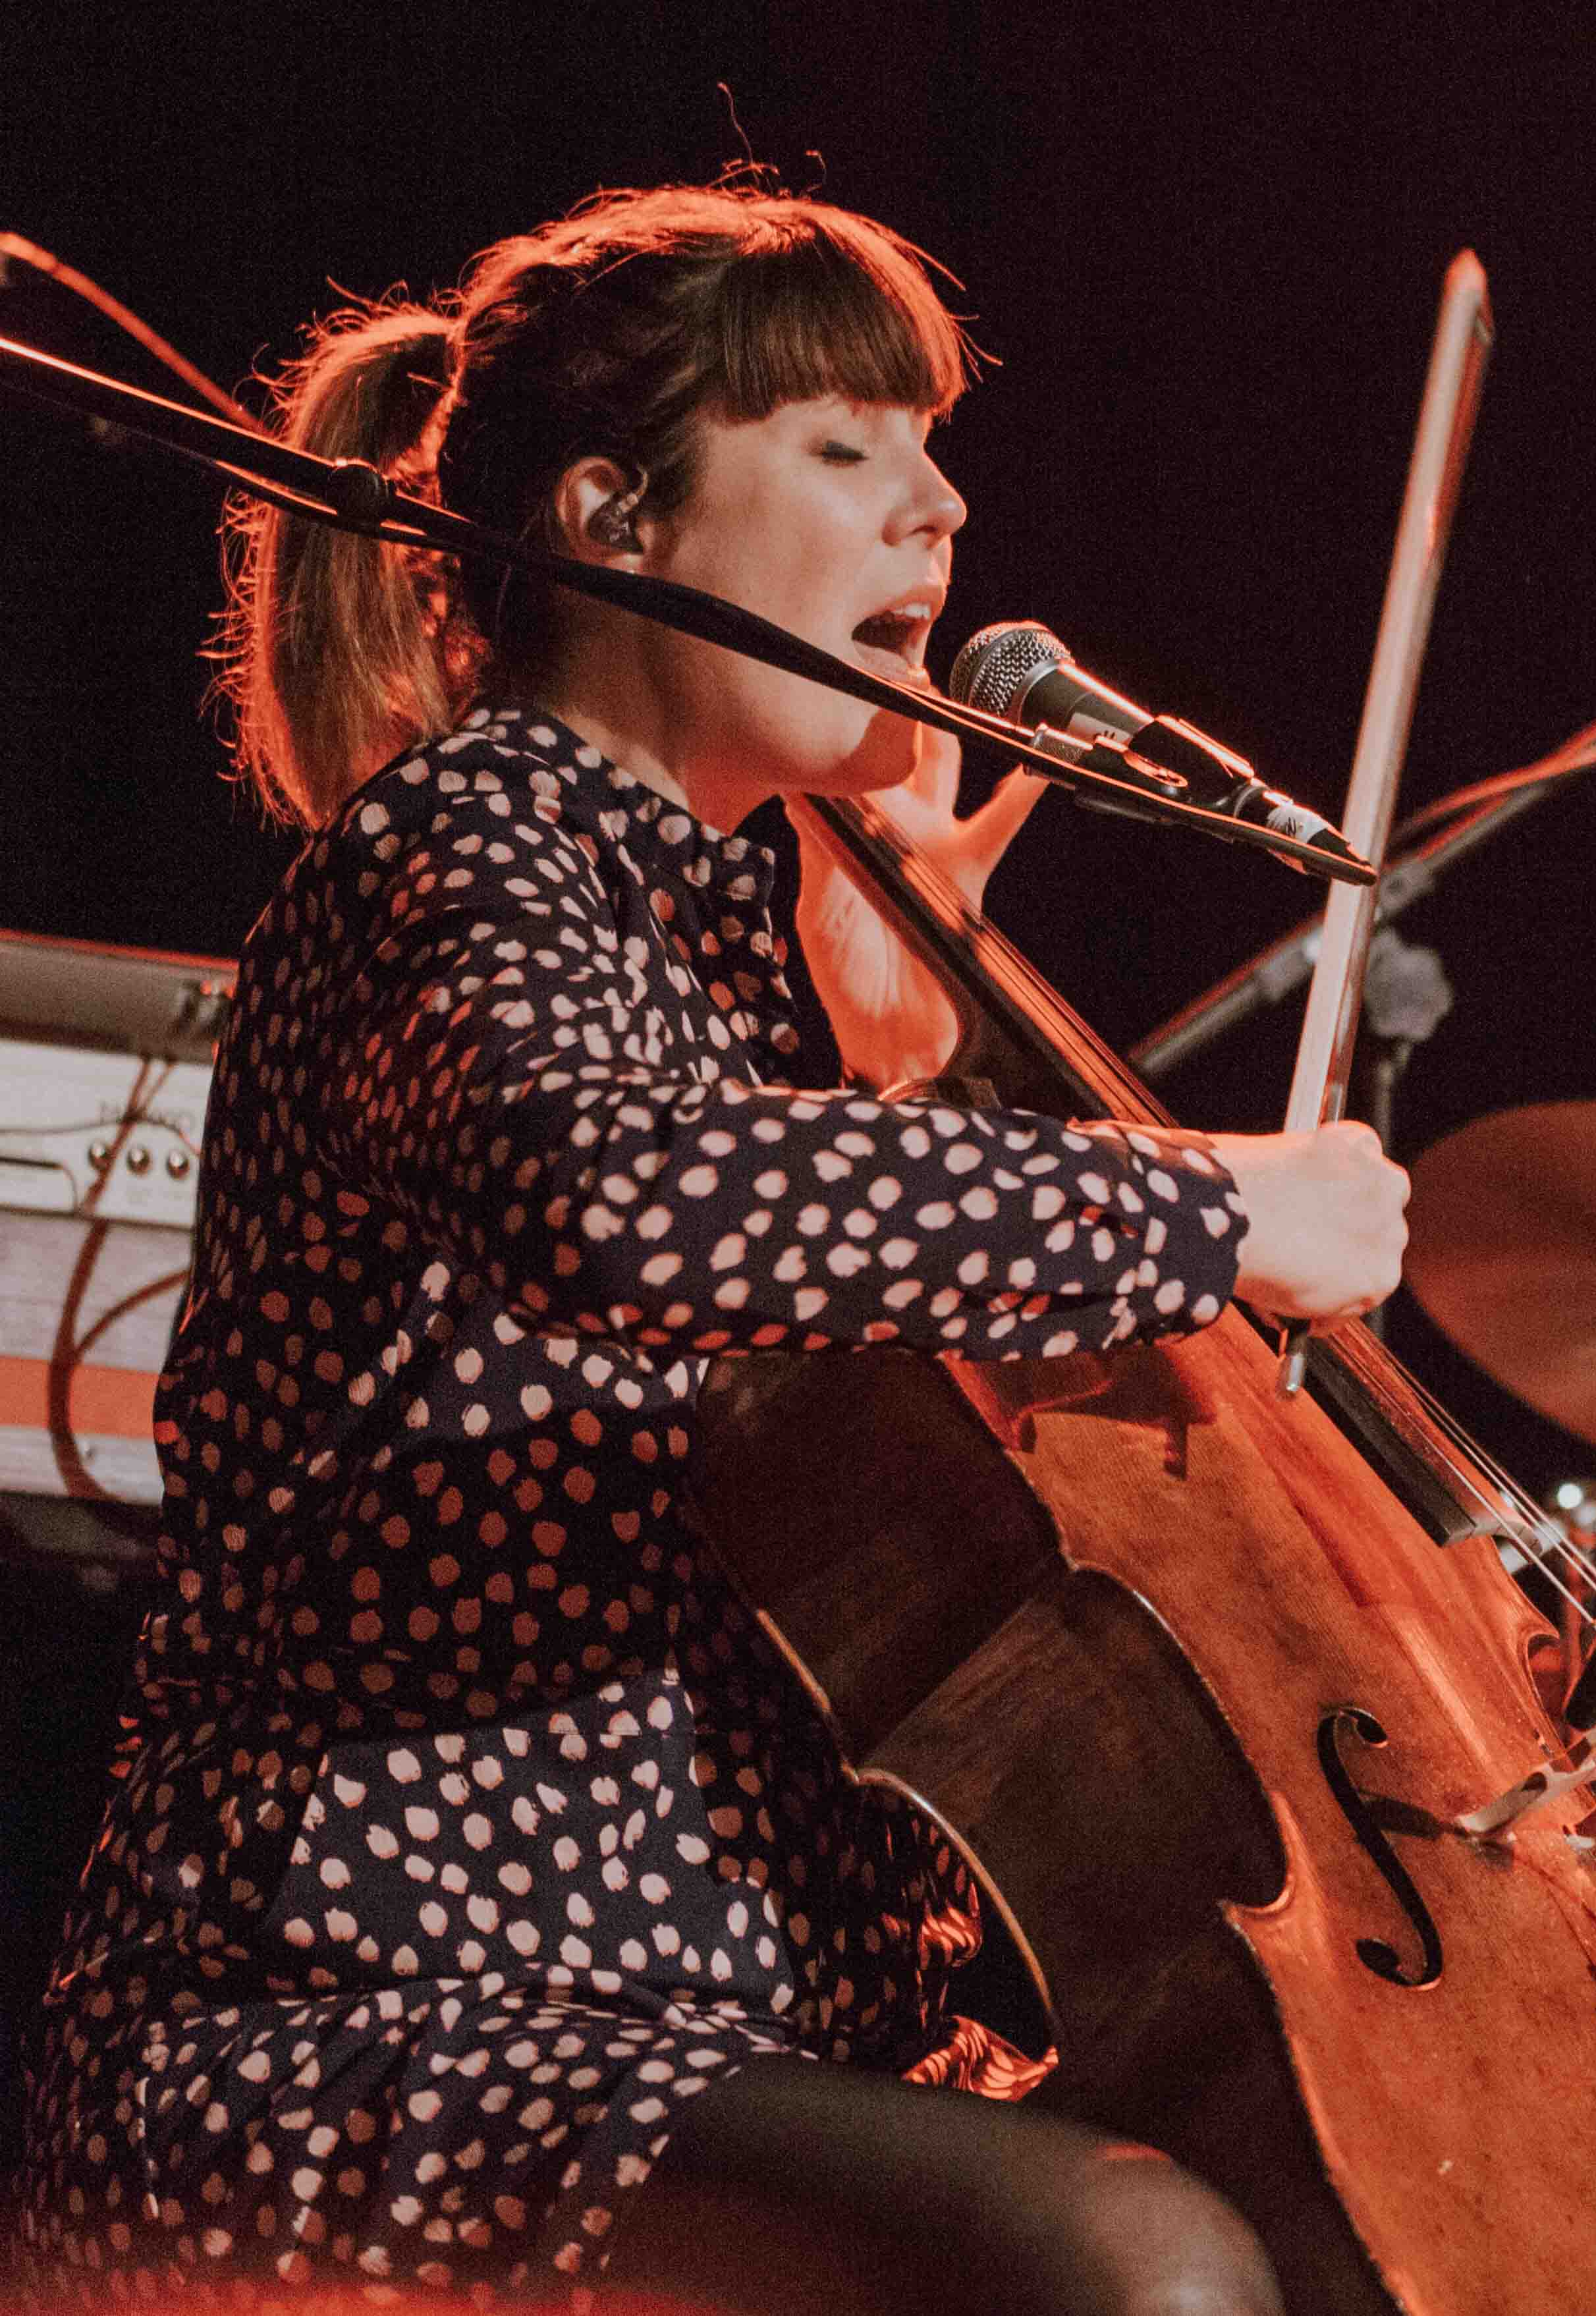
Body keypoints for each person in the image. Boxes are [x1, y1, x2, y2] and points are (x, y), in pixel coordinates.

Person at [13, 180, 1406, 2311]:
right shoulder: (467, 838)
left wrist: (902, 1063)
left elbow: (941, 1432)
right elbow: (621, 1194)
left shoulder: (737, 959)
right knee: (1132, 2259)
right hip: (375, 2019)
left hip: (724, 2030)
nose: (935, 510)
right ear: (611, 517)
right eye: (845, 448)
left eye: (932, 452)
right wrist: (1210, 1204)